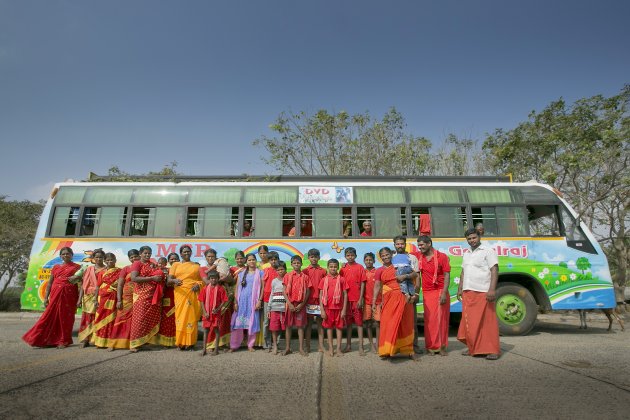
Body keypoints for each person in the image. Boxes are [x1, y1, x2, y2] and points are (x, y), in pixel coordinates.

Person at [22, 247, 82, 348]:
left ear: (72, 255)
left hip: (69, 295)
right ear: (60, 256)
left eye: (68, 253)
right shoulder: (56, 267)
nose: (65, 255)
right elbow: (50, 283)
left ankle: (64, 341)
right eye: (63, 254)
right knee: (49, 316)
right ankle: (44, 340)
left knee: (66, 318)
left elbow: (81, 283)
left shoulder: (77, 267)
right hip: (55, 294)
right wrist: (46, 298)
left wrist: (80, 298)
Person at [457, 228, 501, 360]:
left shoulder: (488, 251)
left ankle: (492, 350)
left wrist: (492, 289)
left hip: (483, 291)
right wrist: (460, 288)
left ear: (479, 237)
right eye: (469, 239)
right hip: (468, 291)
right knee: (470, 321)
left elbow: (494, 269)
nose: (472, 241)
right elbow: (463, 271)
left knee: (487, 321)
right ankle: (473, 347)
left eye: (474, 238)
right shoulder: (466, 253)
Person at [372, 247, 416, 360]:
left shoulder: (399, 265)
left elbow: (414, 275)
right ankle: (386, 350)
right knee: (388, 323)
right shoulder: (379, 270)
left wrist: (405, 276)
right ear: (380, 258)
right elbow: (377, 286)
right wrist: (374, 301)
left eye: (387, 255)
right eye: (383, 256)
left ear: (392, 254)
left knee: (405, 322)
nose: (385, 257)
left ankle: (409, 350)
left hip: (403, 296)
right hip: (388, 299)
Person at [417, 235, 451, 356]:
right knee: (430, 320)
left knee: (442, 319)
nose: (419, 247)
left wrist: (444, 293)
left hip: (441, 290)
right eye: (418, 245)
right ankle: (430, 346)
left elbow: (447, 275)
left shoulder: (442, 257)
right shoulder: (419, 257)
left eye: (421, 245)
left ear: (429, 244)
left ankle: (442, 346)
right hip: (427, 291)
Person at [129, 246, 165, 352]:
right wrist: (152, 278)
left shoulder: (152, 264)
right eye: (145, 253)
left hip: (152, 295)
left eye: (149, 253)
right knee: (139, 319)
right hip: (141, 295)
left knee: (147, 320)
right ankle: (133, 344)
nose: (147, 255)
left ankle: (142, 342)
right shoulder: (137, 263)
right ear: (140, 254)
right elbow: (134, 278)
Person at [169, 245, 204, 350]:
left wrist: (198, 285)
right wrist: (175, 281)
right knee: (180, 318)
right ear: (180, 254)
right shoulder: (175, 265)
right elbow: (169, 280)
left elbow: (202, 281)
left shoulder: (196, 266)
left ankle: (191, 343)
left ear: (191, 252)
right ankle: (180, 342)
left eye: (188, 251)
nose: (186, 253)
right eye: (184, 252)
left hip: (192, 293)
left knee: (191, 318)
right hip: (180, 293)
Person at [200, 248, 234, 350]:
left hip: (223, 296)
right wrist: (221, 279)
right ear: (205, 258)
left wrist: (226, 277)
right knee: (211, 320)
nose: (210, 258)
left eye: (212, 256)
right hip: (210, 298)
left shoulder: (221, 267)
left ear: (216, 257)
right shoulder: (202, 269)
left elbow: (231, 280)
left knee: (224, 320)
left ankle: (222, 344)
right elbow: (207, 282)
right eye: (208, 256)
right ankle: (210, 344)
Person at [230, 253, 264, 352]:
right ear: (246, 261)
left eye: (253, 259)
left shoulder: (260, 273)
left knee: (252, 323)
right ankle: (234, 345)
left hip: (253, 302)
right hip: (241, 302)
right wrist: (235, 302)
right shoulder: (241, 274)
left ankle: (250, 345)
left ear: (256, 260)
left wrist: (259, 301)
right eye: (249, 260)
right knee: (237, 324)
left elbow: (262, 288)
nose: (251, 261)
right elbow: (236, 289)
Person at [393, 235, 421, 353]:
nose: (400, 246)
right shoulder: (392, 258)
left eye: (402, 244)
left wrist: (416, 293)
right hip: (396, 295)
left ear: (405, 244)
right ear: (394, 245)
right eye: (397, 244)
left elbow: (417, 276)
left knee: (412, 321)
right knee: (397, 321)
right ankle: (398, 347)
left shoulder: (412, 257)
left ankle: (414, 346)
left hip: (410, 293)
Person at [108, 249, 140, 350]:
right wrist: (119, 300)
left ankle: (133, 344)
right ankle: (113, 343)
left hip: (139, 297)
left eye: (135, 256)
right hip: (126, 298)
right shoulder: (126, 269)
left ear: (139, 256)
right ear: (129, 259)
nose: (134, 258)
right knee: (120, 318)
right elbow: (120, 285)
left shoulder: (143, 267)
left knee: (136, 321)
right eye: (131, 257)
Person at [339, 247, 366, 355]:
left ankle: (361, 347)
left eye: (352, 255)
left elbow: (363, 283)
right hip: (346, 301)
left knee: (359, 324)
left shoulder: (360, 267)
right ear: (345, 256)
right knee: (348, 325)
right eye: (348, 255)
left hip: (356, 300)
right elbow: (339, 283)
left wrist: (361, 298)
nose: (350, 257)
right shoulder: (343, 269)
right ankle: (348, 346)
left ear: (355, 256)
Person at [319, 259, 349, 357]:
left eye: (335, 266)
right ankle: (331, 348)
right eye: (331, 266)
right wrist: (322, 310)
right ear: (328, 267)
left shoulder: (341, 279)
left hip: (339, 309)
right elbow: (320, 295)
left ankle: (339, 349)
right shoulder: (324, 279)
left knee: (339, 328)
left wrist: (344, 309)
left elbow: (345, 294)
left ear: (338, 267)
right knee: (329, 328)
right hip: (327, 309)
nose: (333, 268)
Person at [92, 253, 122, 351]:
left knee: (113, 320)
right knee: (101, 318)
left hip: (114, 297)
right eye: (107, 260)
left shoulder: (120, 271)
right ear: (105, 261)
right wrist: (95, 299)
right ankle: (100, 341)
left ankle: (111, 343)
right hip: (103, 298)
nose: (109, 262)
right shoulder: (102, 273)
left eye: (111, 260)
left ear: (115, 260)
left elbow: (121, 286)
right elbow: (97, 286)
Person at [78, 248, 106, 347]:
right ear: (93, 258)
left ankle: (97, 340)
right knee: (87, 318)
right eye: (97, 257)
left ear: (104, 258)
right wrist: (79, 299)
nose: (99, 259)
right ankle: (86, 339)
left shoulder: (107, 269)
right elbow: (83, 285)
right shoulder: (89, 269)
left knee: (98, 317)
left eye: (101, 257)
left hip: (101, 296)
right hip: (87, 296)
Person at [283, 255, 310, 356]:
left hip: (300, 305)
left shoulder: (305, 277)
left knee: (300, 327)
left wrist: (302, 304)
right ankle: (287, 348)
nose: (296, 264)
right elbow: (284, 291)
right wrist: (289, 303)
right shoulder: (287, 276)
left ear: (301, 264)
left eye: (298, 263)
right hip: (290, 304)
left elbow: (307, 292)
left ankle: (301, 348)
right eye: (294, 263)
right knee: (288, 326)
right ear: (291, 264)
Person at [199, 270, 227, 356]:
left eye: (215, 278)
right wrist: (204, 312)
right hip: (207, 313)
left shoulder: (220, 289)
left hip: (216, 313)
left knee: (216, 330)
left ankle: (216, 350)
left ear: (218, 279)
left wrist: (218, 308)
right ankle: (204, 350)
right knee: (206, 330)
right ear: (209, 279)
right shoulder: (205, 288)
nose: (213, 280)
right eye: (211, 278)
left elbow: (224, 300)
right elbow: (201, 301)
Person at [303, 248, 326, 353]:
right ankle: (307, 346)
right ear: (308, 258)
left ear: (319, 258)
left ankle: (321, 346)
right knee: (308, 325)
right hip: (309, 301)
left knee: (320, 325)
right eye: (312, 257)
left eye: (316, 257)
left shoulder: (323, 271)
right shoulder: (305, 271)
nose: (314, 259)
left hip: (320, 301)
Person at [268, 261, 288, 355]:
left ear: (285, 269)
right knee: (274, 328)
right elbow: (271, 294)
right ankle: (275, 346)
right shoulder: (274, 281)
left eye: (282, 269)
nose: (280, 271)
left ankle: (286, 347)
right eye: (278, 269)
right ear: (276, 271)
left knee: (286, 328)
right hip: (274, 308)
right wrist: (269, 308)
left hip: (285, 308)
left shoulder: (288, 279)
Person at [362, 252, 380, 353]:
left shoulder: (377, 272)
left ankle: (378, 344)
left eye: (370, 260)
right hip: (366, 302)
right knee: (368, 324)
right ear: (364, 261)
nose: (368, 262)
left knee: (377, 323)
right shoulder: (362, 272)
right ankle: (371, 344)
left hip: (377, 301)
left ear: (374, 261)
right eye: (366, 260)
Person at [260, 250, 279, 349]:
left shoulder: (280, 271)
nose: (273, 261)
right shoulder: (266, 271)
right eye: (271, 260)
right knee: (267, 321)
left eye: (275, 259)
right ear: (269, 261)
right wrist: (260, 299)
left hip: (279, 300)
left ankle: (277, 343)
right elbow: (263, 286)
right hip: (267, 299)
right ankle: (266, 343)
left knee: (278, 321)